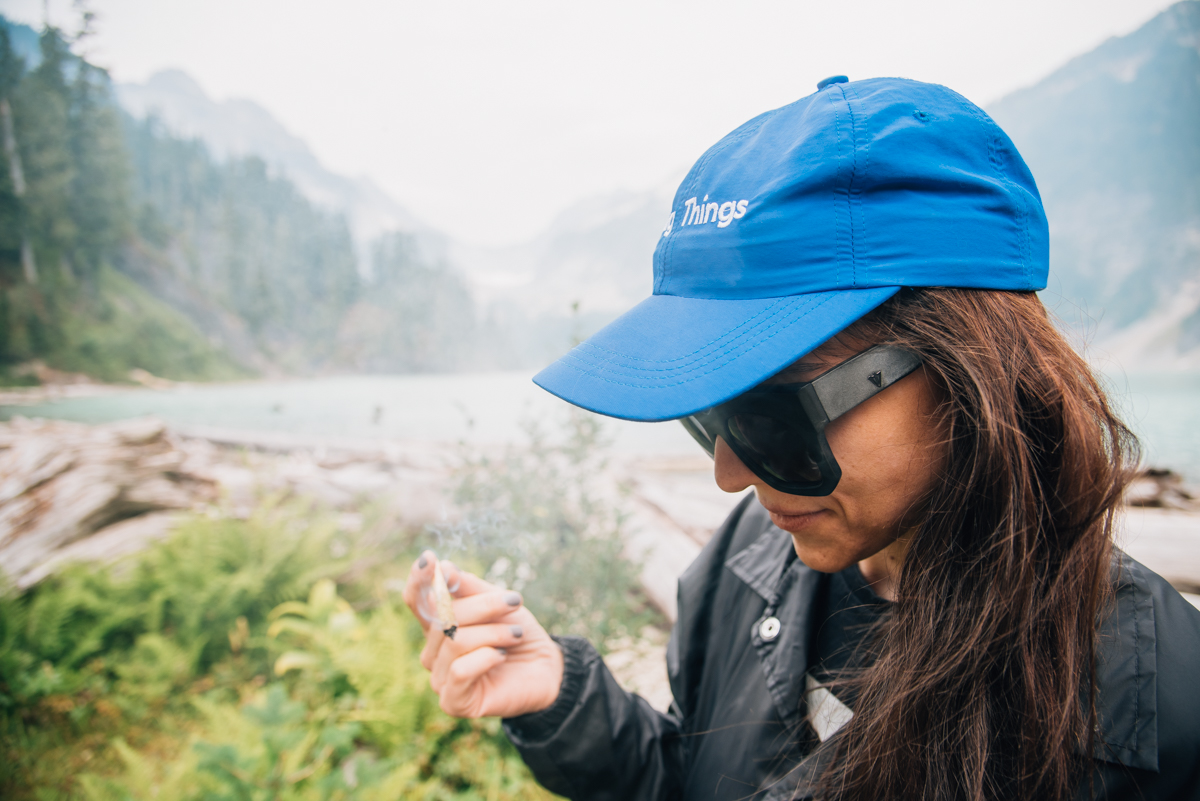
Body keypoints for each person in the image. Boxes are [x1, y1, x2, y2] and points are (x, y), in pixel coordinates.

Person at [404, 77, 1200, 800]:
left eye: (770, 417)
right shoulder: (746, 562)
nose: (729, 473)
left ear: (971, 371)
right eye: (709, 412)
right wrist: (563, 698)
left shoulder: (1156, 703)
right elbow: (694, 775)